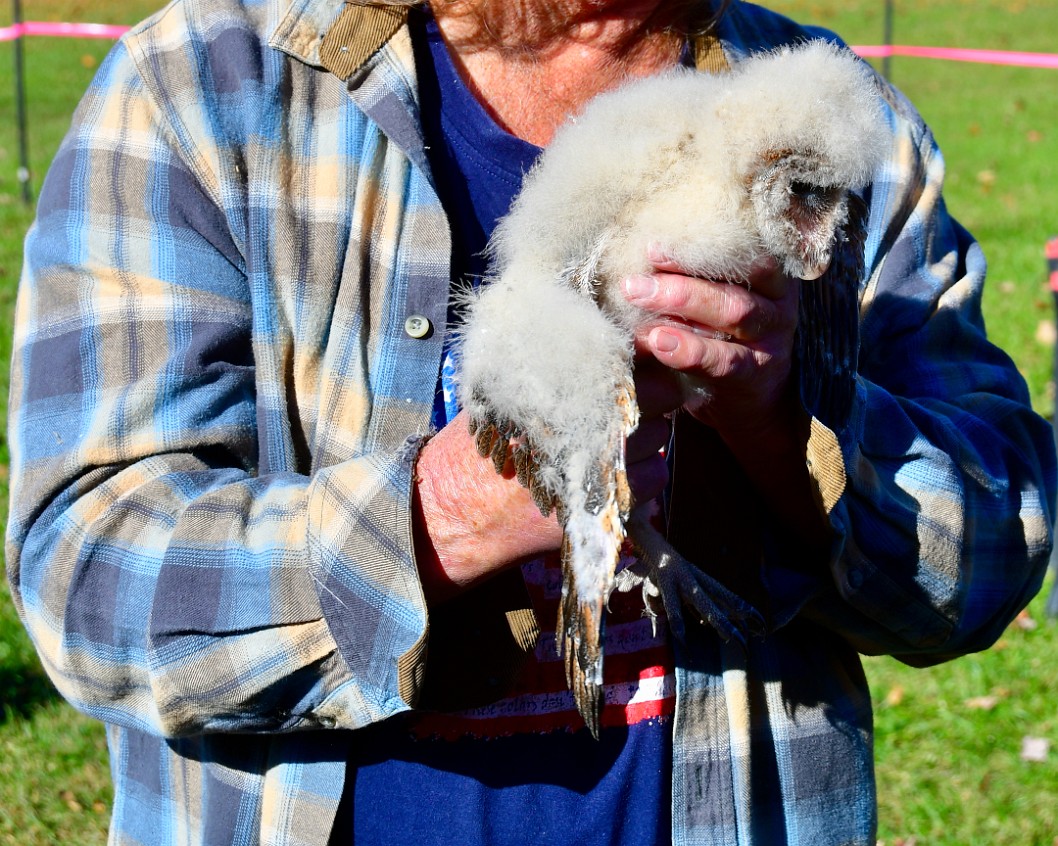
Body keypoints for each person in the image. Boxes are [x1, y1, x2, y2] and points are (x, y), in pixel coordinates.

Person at [6, 0, 1054, 843]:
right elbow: (85, 576)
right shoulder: (205, 90)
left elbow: (986, 556)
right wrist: (457, 509)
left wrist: (785, 422)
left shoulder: (822, 114)